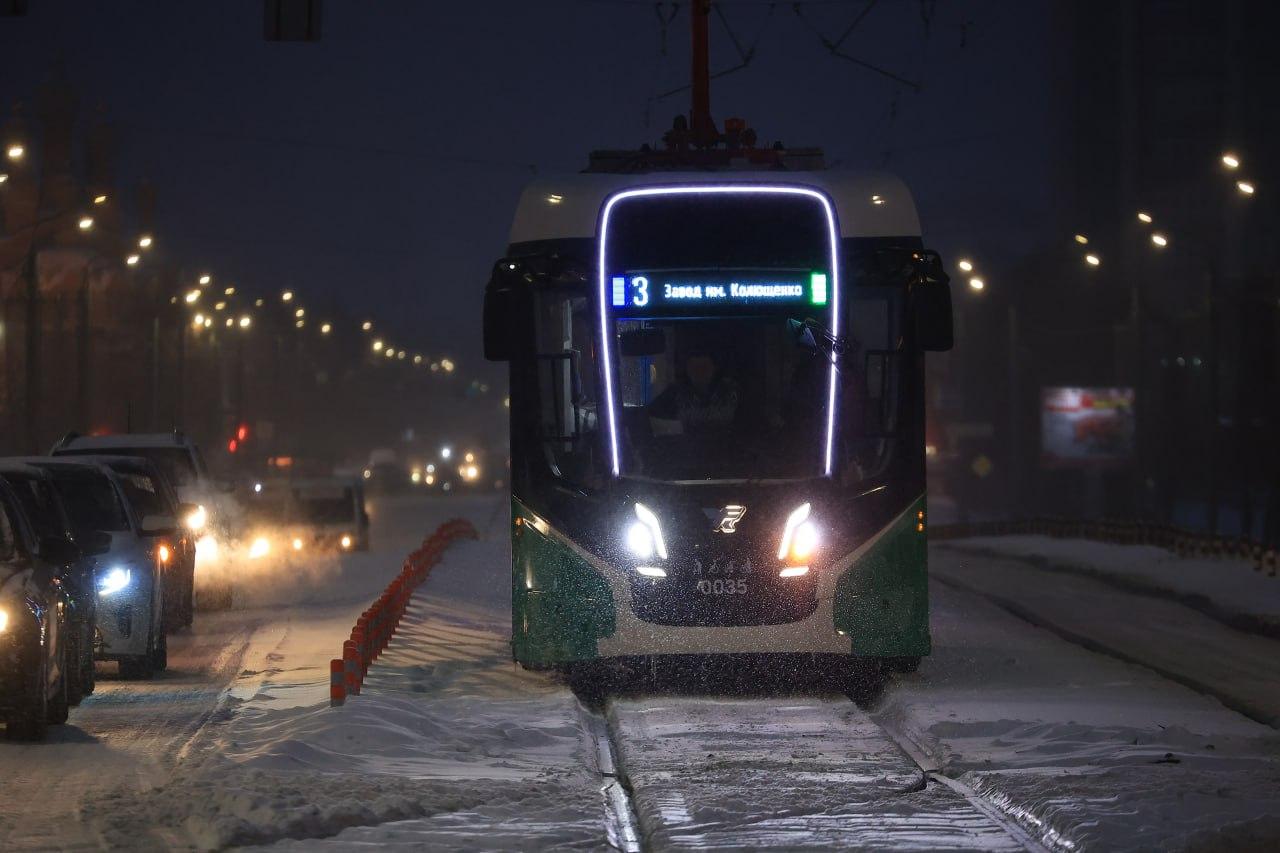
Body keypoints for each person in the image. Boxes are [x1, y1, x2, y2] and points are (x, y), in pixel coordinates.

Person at [648, 352, 740, 435]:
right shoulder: (675, 393)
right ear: (687, 369)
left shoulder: (731, 391)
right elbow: (650, 415)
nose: (699, 372)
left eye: (704, 367)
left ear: (714, 368)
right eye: (694, 367)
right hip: (687, 450)